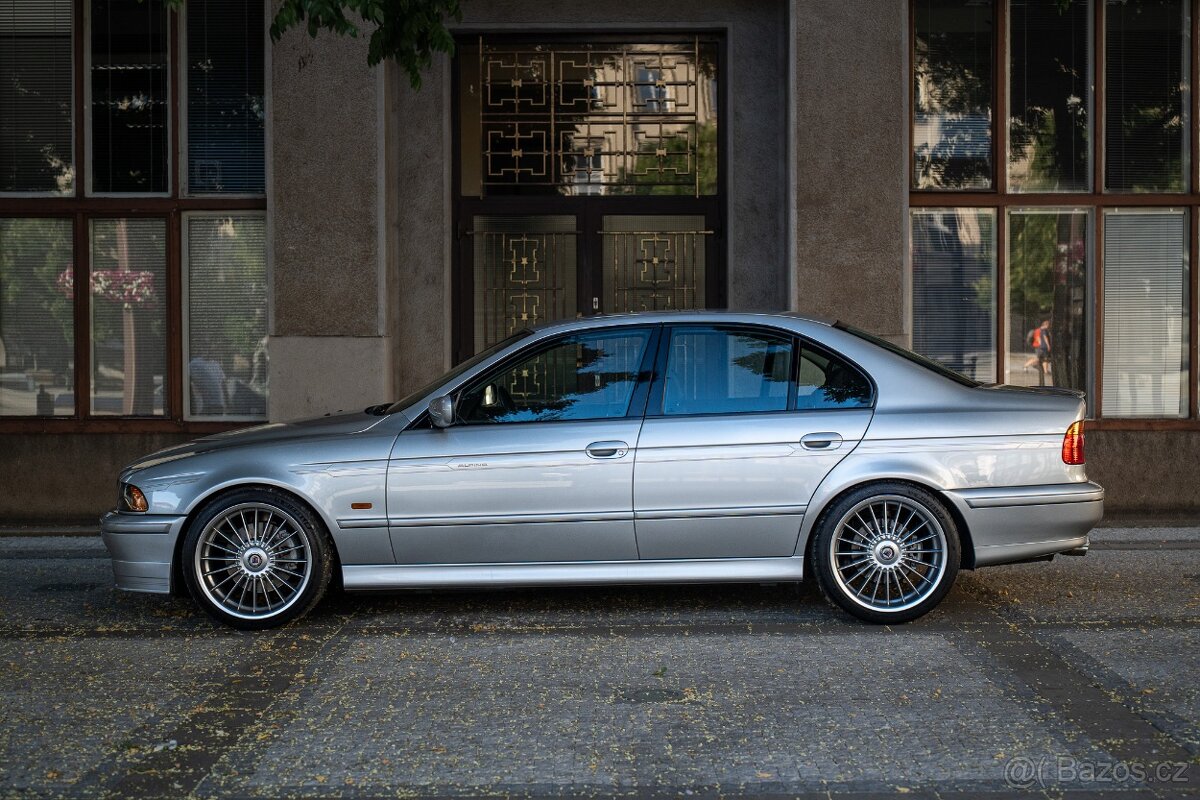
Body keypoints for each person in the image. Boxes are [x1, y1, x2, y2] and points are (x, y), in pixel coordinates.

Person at [1023, 319, 1051, 386]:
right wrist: (1046, 346)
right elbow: (1041, 339)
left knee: (1043, 359)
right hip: (1040, 347)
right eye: (1049, 326)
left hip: (1038, 347)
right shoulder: (1041, 331)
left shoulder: (1038, 330)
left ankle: (1045, 370)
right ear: (1046, 325)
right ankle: (1025, 366)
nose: (1049, 327)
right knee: (1040, 359)